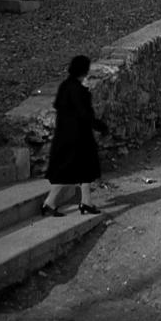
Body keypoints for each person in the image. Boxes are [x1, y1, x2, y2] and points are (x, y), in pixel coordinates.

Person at [41, 55, 109, 217]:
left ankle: (86, 202)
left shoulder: (65, 86)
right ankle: (50, 203)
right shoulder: (78, 90)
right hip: (78, 137)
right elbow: (84, 114)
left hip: (65, 135)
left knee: (82, 169)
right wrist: (100, 126)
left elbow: (60, 106)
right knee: (74, 170)